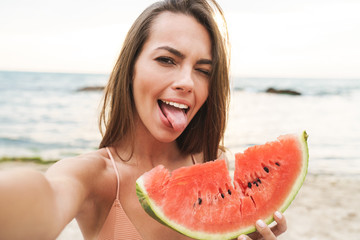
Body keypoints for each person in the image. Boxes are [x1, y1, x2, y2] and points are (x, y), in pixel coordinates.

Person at [0, 0, 287, 239]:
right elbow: (48, 194)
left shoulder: (213, 164)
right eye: (167, 60)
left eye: (203, 70)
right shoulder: (94, 176)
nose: (187, 81)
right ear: (131, 68)